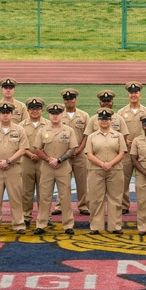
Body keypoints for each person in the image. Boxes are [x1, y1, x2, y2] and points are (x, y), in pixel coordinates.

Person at [0, 102, 29, 235]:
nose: (5, 115)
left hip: (13, 168)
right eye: (2, 113)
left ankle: (18, 224)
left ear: (12, 114)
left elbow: (23, 149)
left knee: (15, 198)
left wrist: (8, 161)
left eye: (7, 113)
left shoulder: (19, 130)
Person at [34, 103, 79, 235]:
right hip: (47, 168)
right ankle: (41, 224)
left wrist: (60, 160)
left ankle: (68, 225)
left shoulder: (68, 130)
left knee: (65, 197)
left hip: (63, 167)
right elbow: (37, 149)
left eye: (57, 113)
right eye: (53, 114)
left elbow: (72, 148)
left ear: (61, 115)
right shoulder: (43, 130)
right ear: (49, 115)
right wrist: (49, 160)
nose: (55, 116)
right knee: (44, 197)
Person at [86, 107, 127, 234]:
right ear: (98, 121)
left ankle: (115, 226)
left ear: (110, 120)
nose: (104, 121)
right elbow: (88, 153)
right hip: (95, 170)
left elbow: (122, 152)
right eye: (102, 119)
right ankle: (96, 226)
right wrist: (102, 164)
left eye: (107, 119)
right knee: (95, 199)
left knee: (115, 199)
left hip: (115, 170)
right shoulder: (92, 136)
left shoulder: (118, 135)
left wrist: (110, 164)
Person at [117, 82, 146, 214]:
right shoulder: (121, 113)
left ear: (140, 95)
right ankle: (124, 205)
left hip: (142, 152)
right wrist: (124, 140)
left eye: (136, 92)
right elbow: (116, 130)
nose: (133, 95)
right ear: (128, 95)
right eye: (131, 93)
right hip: (126, 151)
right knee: (123, 180)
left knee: (142, 180)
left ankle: (144, 206)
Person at [59, 88, 90, 216]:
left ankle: (83, 206)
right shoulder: (59, 115)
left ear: (75, 100)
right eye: (66, 99)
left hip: (80, 154)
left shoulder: (84, 115)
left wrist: (79, 149)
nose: (69, 101)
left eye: (71, 98)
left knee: (82, 181)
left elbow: (87, 135)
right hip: (63, 154)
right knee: (62, 181)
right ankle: (60, 205)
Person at [20, 97, 49, 227]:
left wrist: (40, 154)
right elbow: (18, 144)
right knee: (26, 191)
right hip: (26, 160)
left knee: (44, 191)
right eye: (32, 109)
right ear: (27, 110)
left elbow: (52, 144)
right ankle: (26, 216)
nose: (34, 111)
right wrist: (30, 154)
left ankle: (44, 217)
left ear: (42, 110)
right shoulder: (20, 126)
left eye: (37, 108)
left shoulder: (48, 125)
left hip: (43, 161)